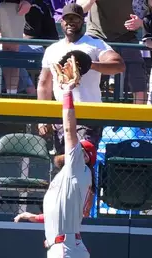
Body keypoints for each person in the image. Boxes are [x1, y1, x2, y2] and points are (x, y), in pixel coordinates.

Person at [14, 55, 101, 258]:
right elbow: (63, 213)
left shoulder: (79, 167)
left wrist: (66, 92)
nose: (73, 147)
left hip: (66, 250)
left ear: (84, 153)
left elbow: (68, 126)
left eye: (81, 147)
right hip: (65, 247)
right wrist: (33, 217)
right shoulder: (70, 179)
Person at [37, 3, 124, 160]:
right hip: (60, 115)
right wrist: (43, 119)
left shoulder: (95, 44)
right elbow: (44, 84)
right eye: (67, 19)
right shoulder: (52, 49)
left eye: (75, 19)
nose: (71, 22)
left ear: (82, 21)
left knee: (83, 160)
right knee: (63, 166)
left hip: (88, 115)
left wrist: (90, 65)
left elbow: (118, 65)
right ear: (61, 21)